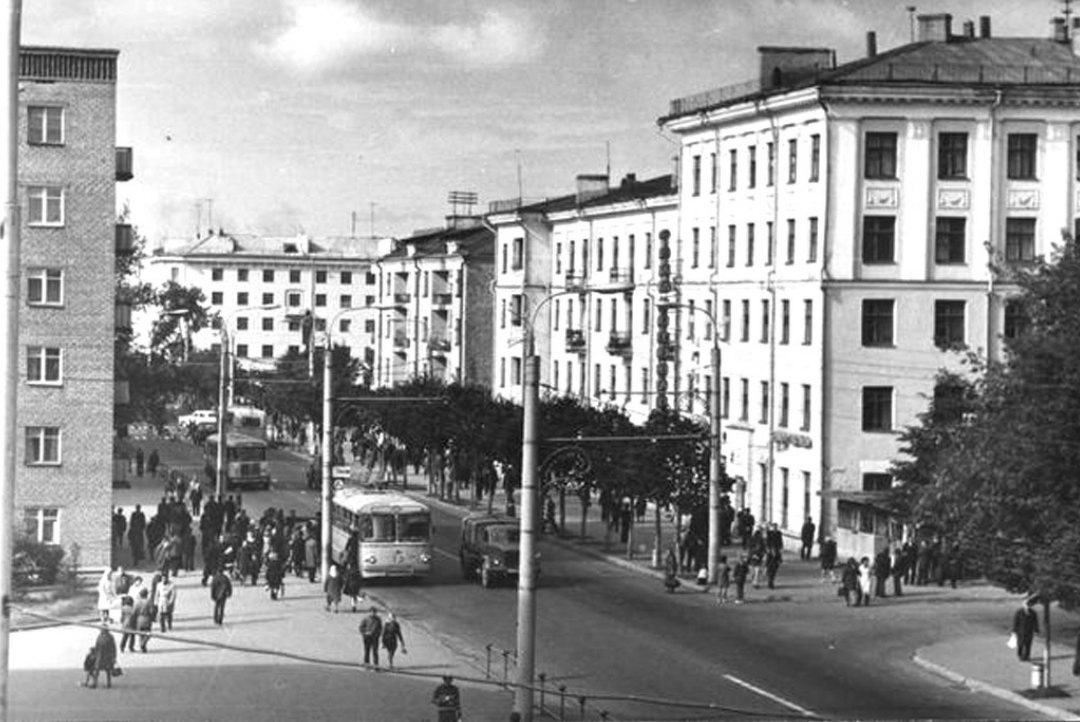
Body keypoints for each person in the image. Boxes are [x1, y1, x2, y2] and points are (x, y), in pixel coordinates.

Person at [133, 588, 154, 652]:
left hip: (139, 619)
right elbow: (151, 611)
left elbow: (134, 611)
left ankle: (142, 646)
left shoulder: (137, 602)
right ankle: (143, 644)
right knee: (148, 633)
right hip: (147, 619)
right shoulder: (148, 601)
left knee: (141, 634)